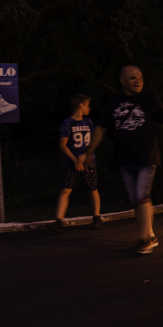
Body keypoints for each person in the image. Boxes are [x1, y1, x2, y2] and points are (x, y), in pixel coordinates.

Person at [84, 65, 163, 254]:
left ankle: (144, 238)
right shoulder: (113, 102)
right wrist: (89, 153)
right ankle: (151, 234)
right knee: (137, 200)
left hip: (147, 158)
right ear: (122, 81)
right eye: (132, 78)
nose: (138, 81)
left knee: (141, 196)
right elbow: (100, 129)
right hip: (124, 159)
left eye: (140, 77)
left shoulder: (150, 100)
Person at [48, 94, 103, 233]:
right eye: (87, 105)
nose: (89, 108)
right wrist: (74, 159)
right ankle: (59, 220)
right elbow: (63, 145)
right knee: (66, 190)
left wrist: (85, 155)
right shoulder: (68, 123)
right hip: (71, 162)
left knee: (92, 188)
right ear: (81, 105)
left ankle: (97, 217)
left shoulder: (89, 123)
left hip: (88, 161)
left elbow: (92, 142)